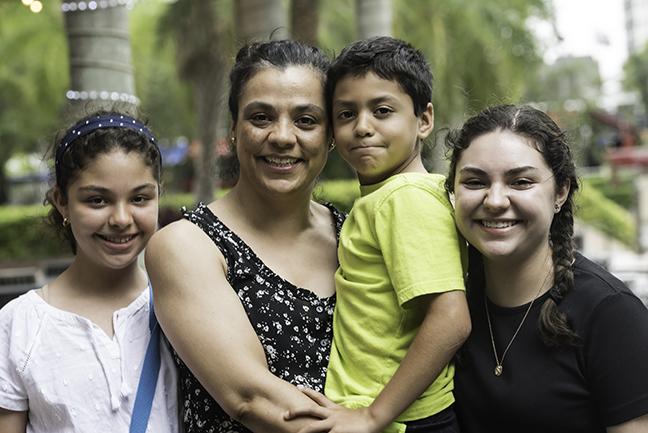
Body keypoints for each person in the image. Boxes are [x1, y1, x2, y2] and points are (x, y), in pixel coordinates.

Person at [144, 40, 346, 433]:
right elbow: (251, 399)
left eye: (306, 120)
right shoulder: (187, 245)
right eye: (261, 117)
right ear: (234, 129)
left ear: (331, 135)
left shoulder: (357, 236)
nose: (283, 137)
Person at [285, 36, 471, 433]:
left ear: (424, 120)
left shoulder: (403, 198)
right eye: (346, 114)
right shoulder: (388, 197)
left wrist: (372, 416)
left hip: (405, 420)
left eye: (382, 110)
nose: (363, 127)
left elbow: (451, 317)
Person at [445, 104, 648, 432]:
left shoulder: (611, 314)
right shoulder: (448, 304)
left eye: (521, 182)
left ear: (561, 191)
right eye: (474, 182)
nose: (495, 200)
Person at [0, 110, 179, 432]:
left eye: (139, 198)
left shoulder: (181, 305)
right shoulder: (20, 325)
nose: (122, 218)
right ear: (62, 202)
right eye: (98, 200)